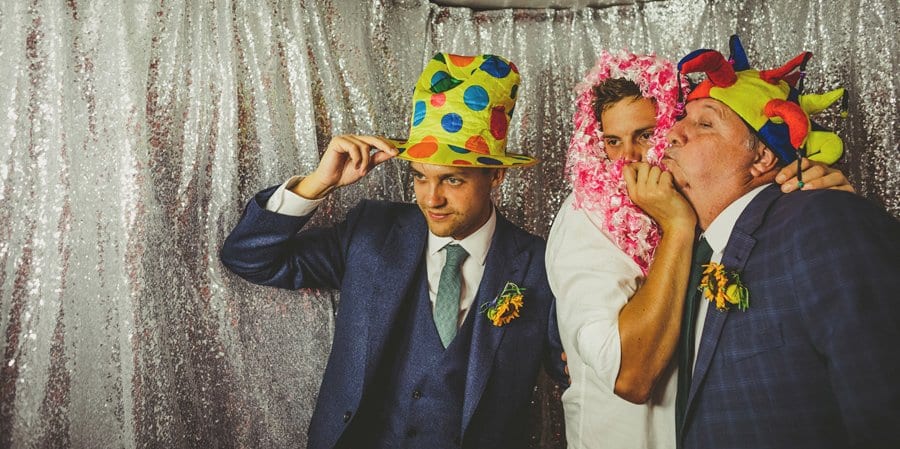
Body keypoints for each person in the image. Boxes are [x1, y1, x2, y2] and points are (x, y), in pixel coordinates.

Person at [220, 53, 565, 449]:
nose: (430, 198)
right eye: (419, 177)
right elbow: (248, 256)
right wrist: (318, 183)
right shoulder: (371, 232)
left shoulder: (540, 263)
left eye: (452, 179)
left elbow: (578, 372)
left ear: (496, 175)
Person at [546, 51, 853, 448]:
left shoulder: (703, 198)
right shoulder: (586, 217)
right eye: (611, 141)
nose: (627, 160)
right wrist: (676, 226)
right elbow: (630, 376)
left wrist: (816, 189)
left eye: (644, 134)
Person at [669, 35, 900, 449]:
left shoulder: (824, 220)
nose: (674, 132)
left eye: (705, 123)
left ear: (761, 158)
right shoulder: (694, 252)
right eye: (683, 117)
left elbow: (885, 408)